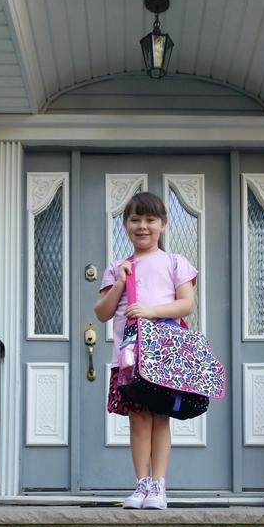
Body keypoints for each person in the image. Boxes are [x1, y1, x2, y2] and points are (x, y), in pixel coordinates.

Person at [94, 192, 197, 509]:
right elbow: (102, 312)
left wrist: (151, 311)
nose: (143, 226)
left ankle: (159, 487)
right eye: (135, 219)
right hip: (130, 357)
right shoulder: (117, 267)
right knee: (138, 419)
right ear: (125, 224)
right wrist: (122, 283)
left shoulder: (174, 262)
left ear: (163, 224)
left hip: (163, 355)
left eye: (150, 220)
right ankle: (141, 485)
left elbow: (186, 304)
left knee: (160, 418)